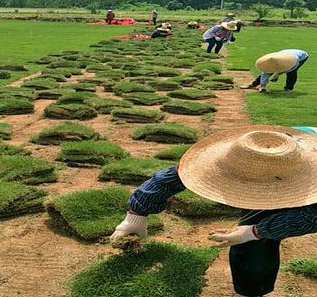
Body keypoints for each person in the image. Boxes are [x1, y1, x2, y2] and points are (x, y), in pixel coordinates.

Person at [110, 125, 317, 297]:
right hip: (288, 162)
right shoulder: (256, 151)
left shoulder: (299, 163)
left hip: (302, 172)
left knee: (255, 232)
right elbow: (178, 174)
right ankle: (251, 289)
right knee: (254, 232)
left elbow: (312, 218)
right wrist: (136, 214)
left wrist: (255, 231)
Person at [241, 49, 309, 92]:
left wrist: (278, 74)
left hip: (301, 56)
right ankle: (253, 84)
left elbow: (292, 68)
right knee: (268, 70)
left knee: (291, 72)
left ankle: (288, 88)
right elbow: (265, 73)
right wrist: (263, 86)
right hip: (284, 53)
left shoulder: (293, 60)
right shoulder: (269, 61)